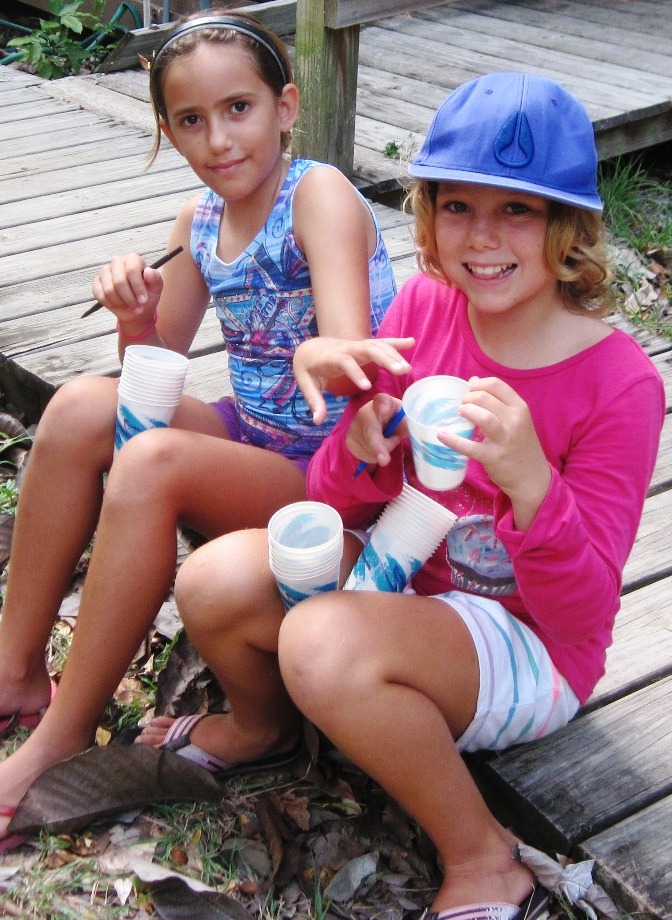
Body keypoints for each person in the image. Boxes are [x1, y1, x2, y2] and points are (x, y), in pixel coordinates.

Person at [131, 72, 664, 919]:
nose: (482, 237)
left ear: (567, 224)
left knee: (321, 640)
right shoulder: (426, 306)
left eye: (516, 211)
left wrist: (531, 483)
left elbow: (583, 609)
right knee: (215, 580)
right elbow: (336, 497)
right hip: (405, 580)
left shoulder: (619, 383)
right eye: (458, 206)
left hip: (525, 643)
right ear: (429, 213)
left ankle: (484, 856)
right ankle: (263, 730)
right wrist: (359, 442)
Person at [0, 9, 408, 848]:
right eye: (192, 120)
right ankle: (16, 671)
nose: (219, 139)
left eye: (239, 109)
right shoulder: (198, 224)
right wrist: (135, 315)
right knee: (82, 404)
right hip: (256, 439)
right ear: (168, 130)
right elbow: (153, 373)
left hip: (336, 469)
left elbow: (346, 344)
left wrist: (327, 348)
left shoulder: (317, 193)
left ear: (285, 107)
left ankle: (65, 734)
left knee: (150, 462)